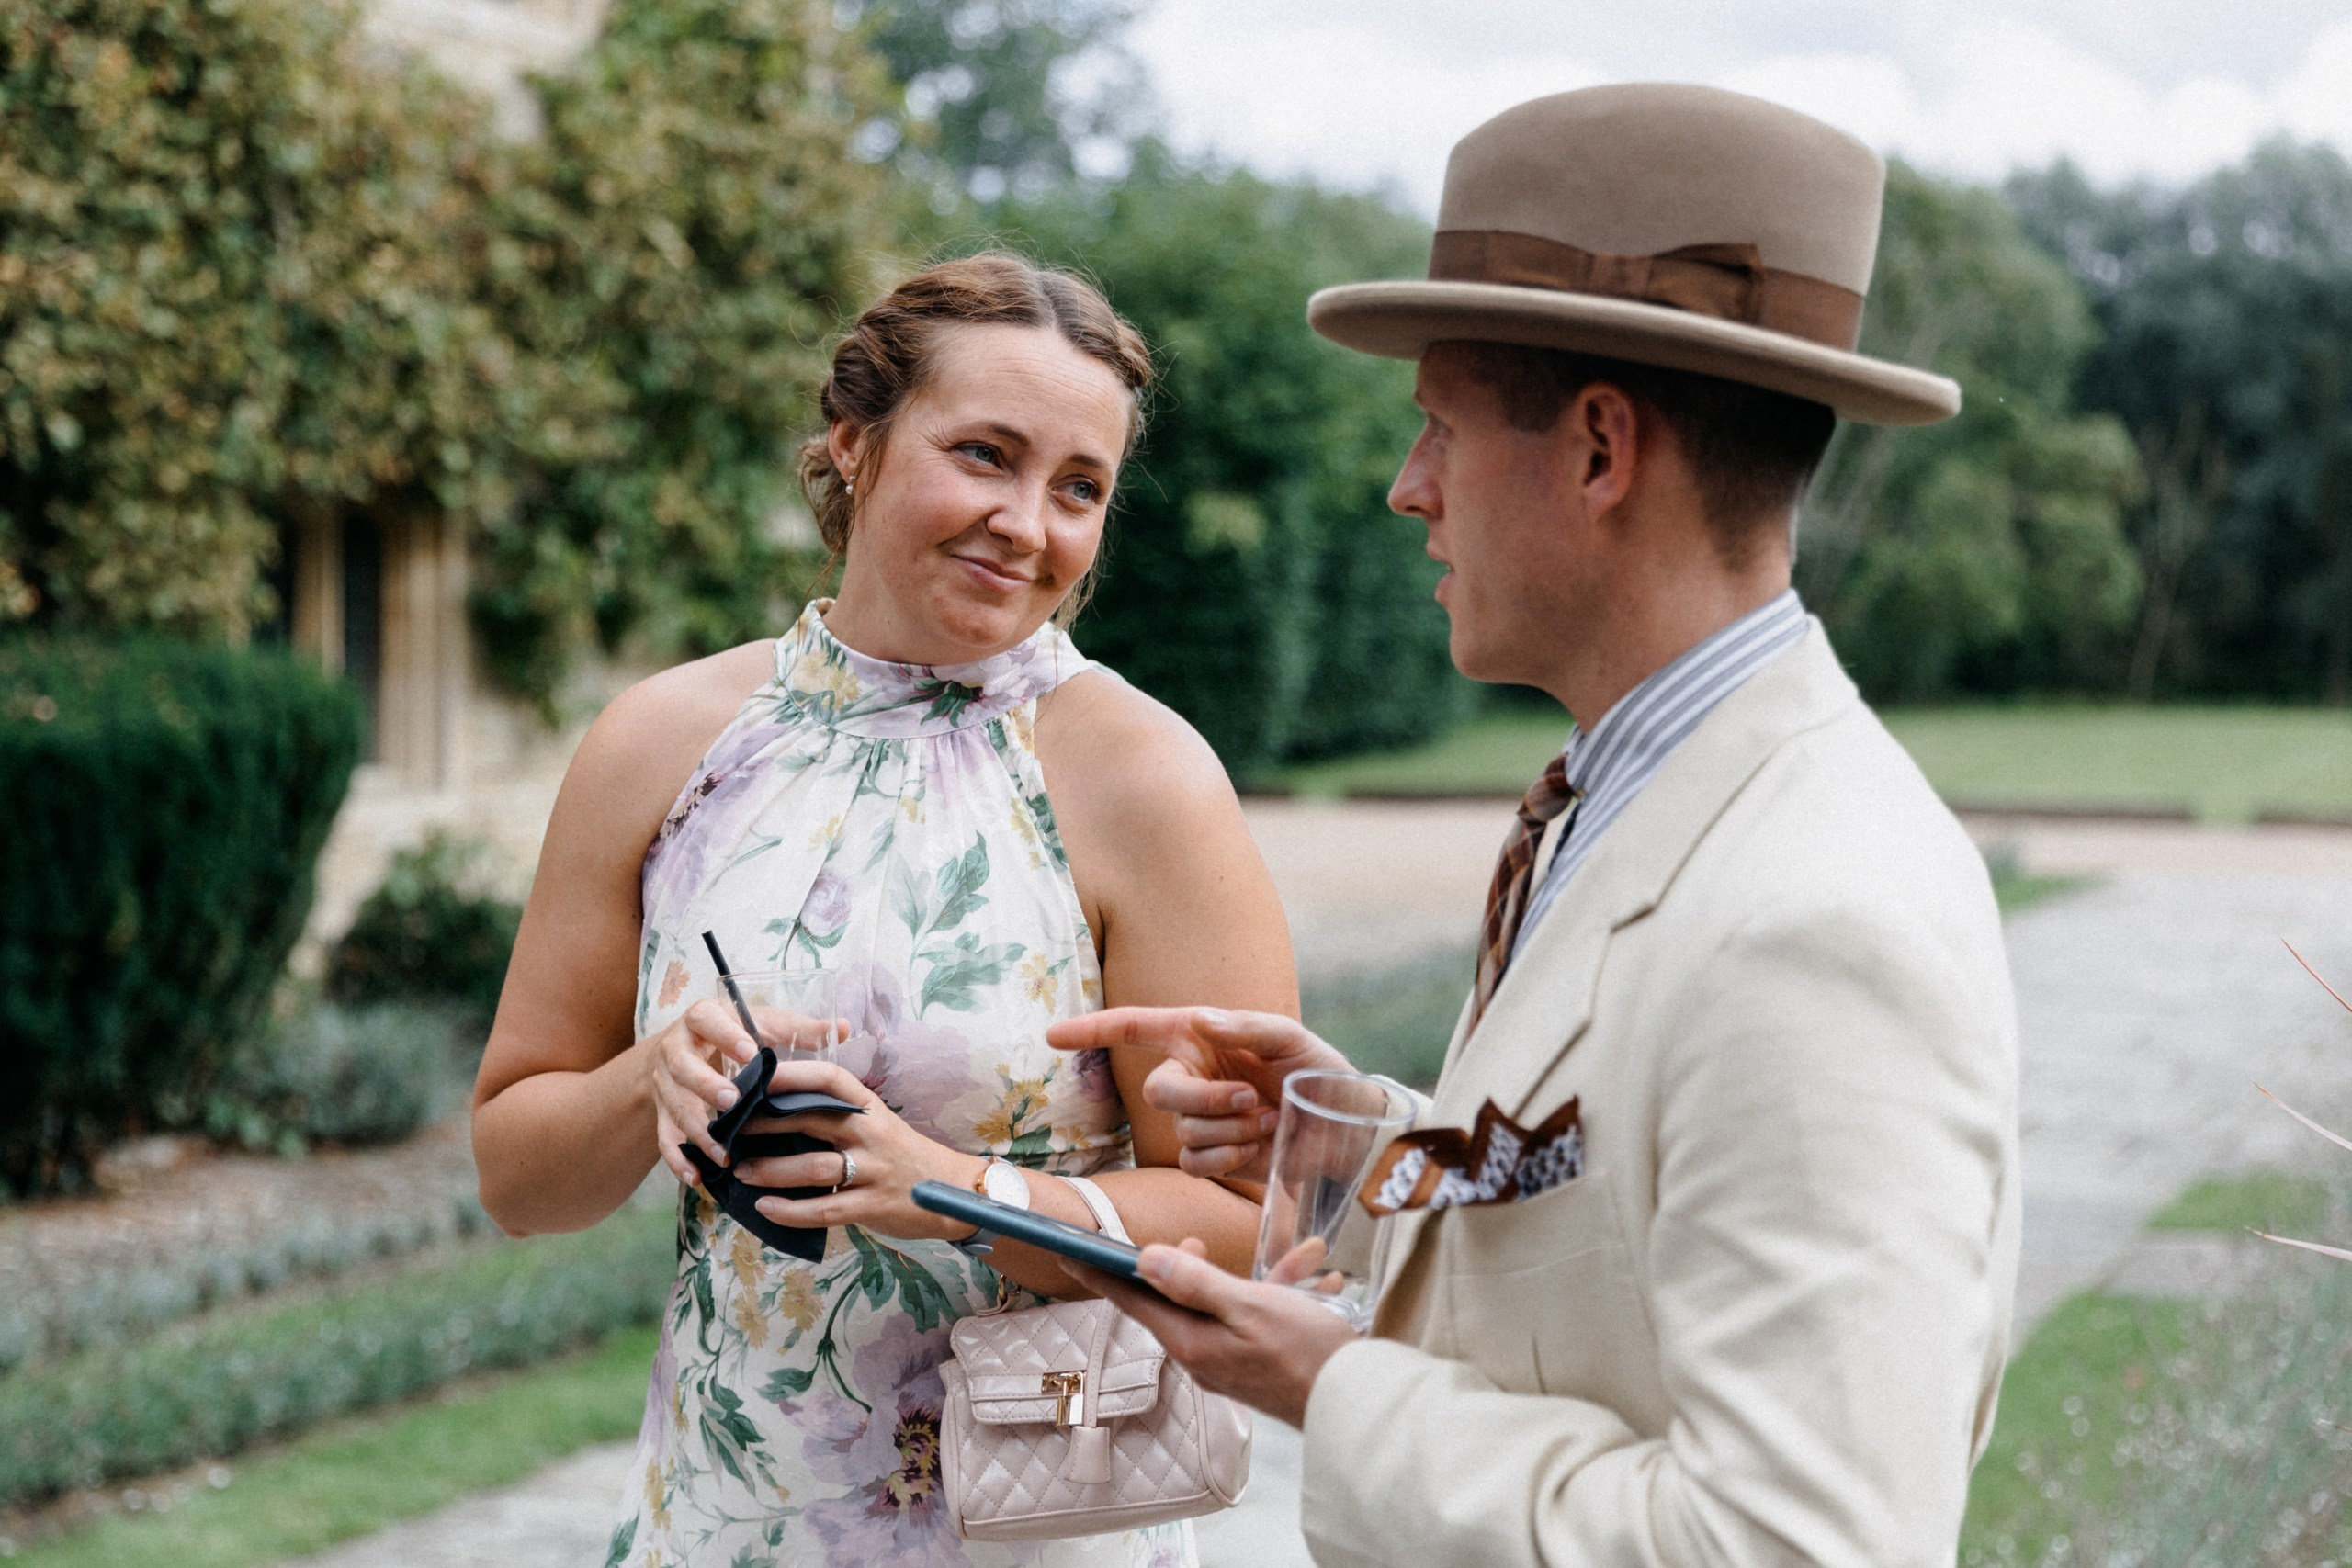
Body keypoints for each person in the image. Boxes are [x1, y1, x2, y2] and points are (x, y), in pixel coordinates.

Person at [1049, 85, 2021, 1568]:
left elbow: (1799, 1543)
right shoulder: (1650, 790)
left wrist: (1333, 1384)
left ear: (1598, 452)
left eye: (1437, 426)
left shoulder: (1821, 919)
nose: (1406, 490)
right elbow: (1615, 1241)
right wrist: (1365, 1157)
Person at [469, 253, 1296, 1568]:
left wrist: (956, 1192)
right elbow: (518, 1179)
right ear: (853, 445)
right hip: (729, 1526)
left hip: (1040, 1530)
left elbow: (1257, 1231)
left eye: (1077, 487)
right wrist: (651, 1080)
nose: (1028, 522)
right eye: (985, 455)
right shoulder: (661, 744)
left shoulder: (1146, 779)